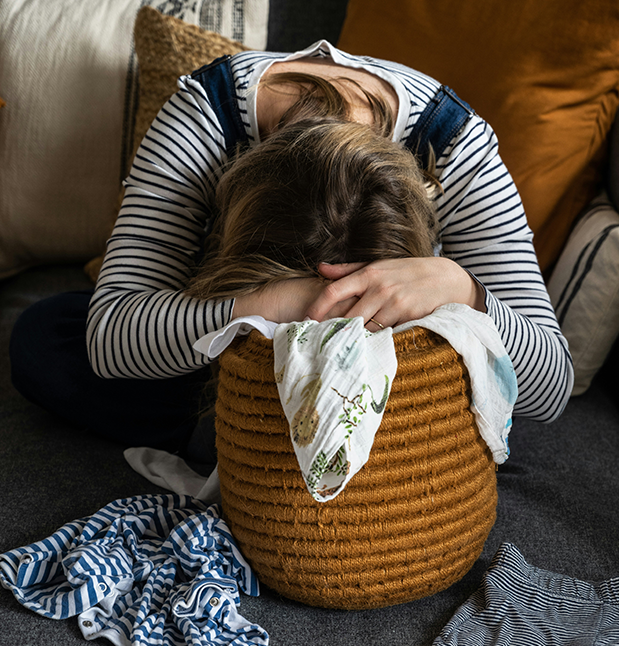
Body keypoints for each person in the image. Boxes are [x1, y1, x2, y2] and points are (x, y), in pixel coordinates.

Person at [9, 40, 574, 457]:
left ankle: (243, 446)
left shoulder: (454, 144)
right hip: (229, 352)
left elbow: (552, 389)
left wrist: (461, 290)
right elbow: (112, 337)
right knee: (45, 337)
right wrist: (270, 306)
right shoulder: (209, 118)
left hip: (389, 364)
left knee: (492, 386)